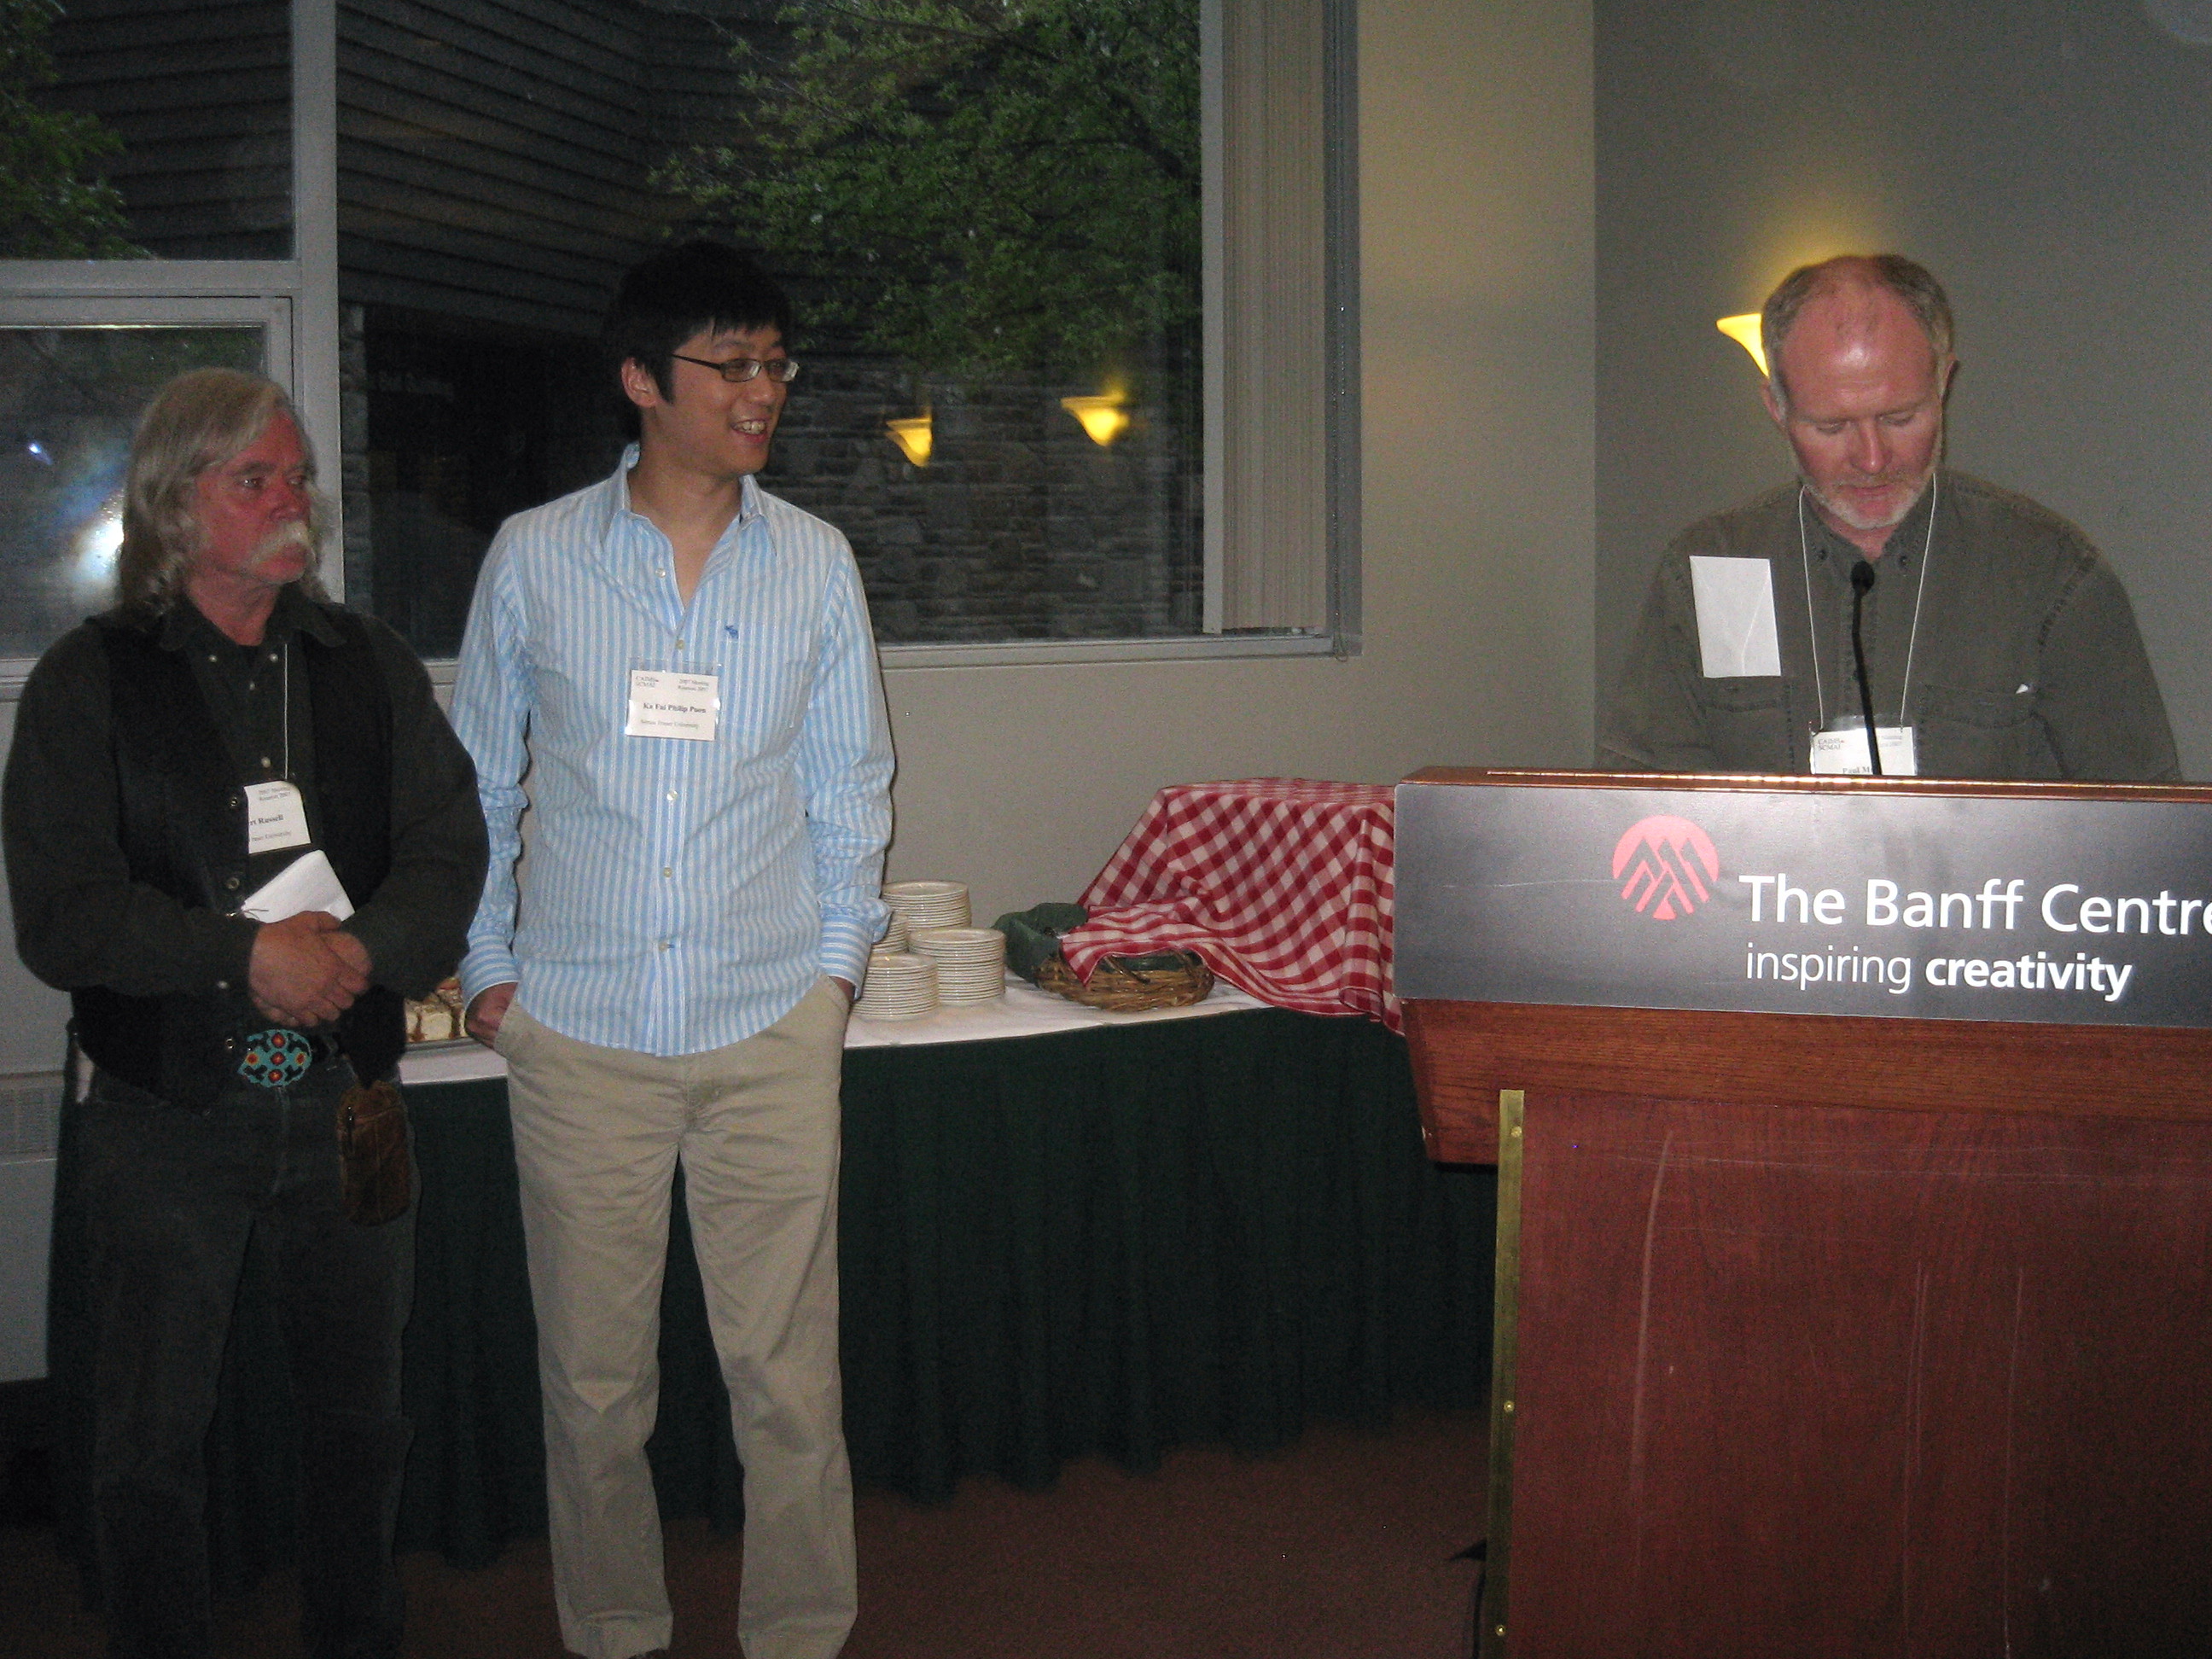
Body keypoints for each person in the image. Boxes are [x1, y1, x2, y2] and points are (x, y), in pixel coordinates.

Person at [450, 240, 894, 1659]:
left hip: (769, 1027)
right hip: (581, 1035)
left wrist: (833, 977)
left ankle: (802, 1631)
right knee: (593, 1389)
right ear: (643, 379)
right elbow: (475, 783)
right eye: (731, 365)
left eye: (776, 364)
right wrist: (488, 969)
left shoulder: (814, 564)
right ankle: (616, 1629)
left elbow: (850, 789)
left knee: (789, 1383)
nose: (762, 392)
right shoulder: (535, 556)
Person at [3, 368, 488, 1658]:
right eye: (255, 479)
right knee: (149, 1444)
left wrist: (359, 952)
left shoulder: (368, 663)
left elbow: (449, 850)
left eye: (299, 477)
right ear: (175, 504)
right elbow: (61, 915)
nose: (292, 502)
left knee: (361, 1423)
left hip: (348, 1103)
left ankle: (356, 1634)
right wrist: (243, 958)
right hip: (166, 1114)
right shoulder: (89, 681)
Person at [1598, 253, 2179, 781]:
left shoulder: (2047, 574)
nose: (1872, 459)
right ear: (1776, 408)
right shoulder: (1713, 569)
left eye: (1900, 419)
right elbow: (1641, 808)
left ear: (1943, 383)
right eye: (1832, 427)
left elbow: (2143, 826)